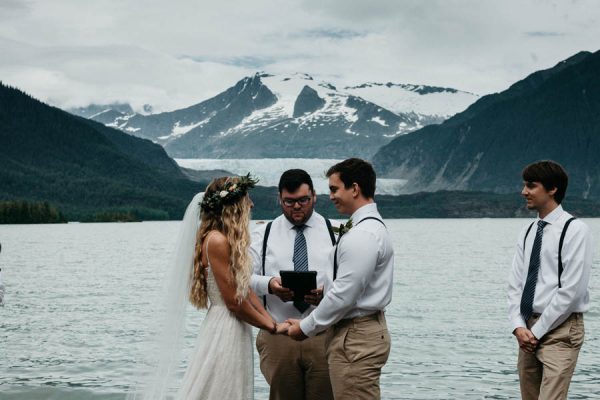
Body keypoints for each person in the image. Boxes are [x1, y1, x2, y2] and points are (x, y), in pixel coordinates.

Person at [131, 175, 288, 400]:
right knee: (219, 389)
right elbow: (234, 302)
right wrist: (272, 328)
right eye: (247, 198)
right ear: (231, 205)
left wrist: (272, 323)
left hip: (236, 326)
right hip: (225, 326)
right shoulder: (216, 241)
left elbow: (246, 290)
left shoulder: (226, 239)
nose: (251, 204)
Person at [287, 158, 394, 400]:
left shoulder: (363, 234)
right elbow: (353, 284)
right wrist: (324, 291)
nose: (331, 196)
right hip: (358, 333)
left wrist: (305, 327)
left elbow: (345, 293)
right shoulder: (368, 228)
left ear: (354, 188)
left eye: (335, 189)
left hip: (355, 337)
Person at [507, 160, 593, 400]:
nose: (524, 192)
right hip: (528, 328)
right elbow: (516, 284)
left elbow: (572, 291)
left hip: (561, 329)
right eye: (525, 185)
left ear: (552, 189)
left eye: (531, 186)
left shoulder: (575, 230)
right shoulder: (528, 230)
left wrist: (538, 331)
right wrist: (518, 326)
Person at [250, 169, 335, 400]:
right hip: (278, 335)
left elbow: (349, 280)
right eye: (289, 201)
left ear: (314, 197)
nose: (296, 207)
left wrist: (326, 294)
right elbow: (242, 278)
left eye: (303, 200)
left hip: (323, 335)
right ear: (279, 199)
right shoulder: (262, 234)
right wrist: (270, 285)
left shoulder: (335, 231)